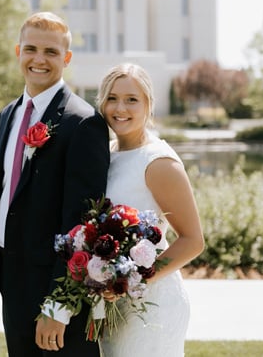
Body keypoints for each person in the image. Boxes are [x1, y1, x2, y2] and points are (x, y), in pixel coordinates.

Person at [0, 12, 110, 356]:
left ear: (66, 58)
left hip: (52, 286)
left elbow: (82, 226)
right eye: (30, 48)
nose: (39, 59)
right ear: (18, 51)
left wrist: (59, 306)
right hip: (11, 276)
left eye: (50, 52)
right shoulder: (10, 113)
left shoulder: (83, 123)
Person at [97, 63, 204, 357]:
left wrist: (129, 281)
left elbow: (193, 240)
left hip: (152, 308)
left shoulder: (158, 162)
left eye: (132, 99)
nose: (121, 107)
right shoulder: (104, 153)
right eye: (112, 98)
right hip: (112, 306)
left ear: (148, 105)